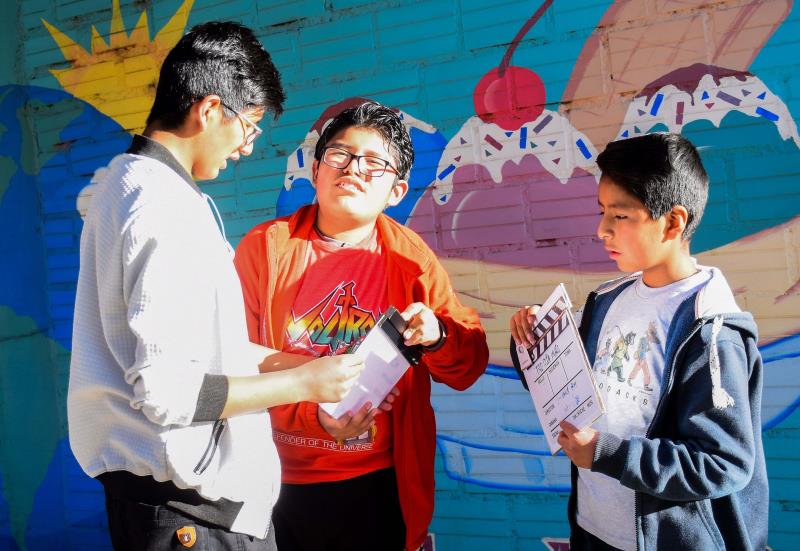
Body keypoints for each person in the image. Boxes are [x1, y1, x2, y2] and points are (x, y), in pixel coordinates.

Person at [68, 21, 366, 551]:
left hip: (174, 510)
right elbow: (169, 391)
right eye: (249, 127)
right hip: (192, 519)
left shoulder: (125, 182)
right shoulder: (161, 206)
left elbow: (197, 354)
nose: (247, 148)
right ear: (208, 110)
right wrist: (306, 386)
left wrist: (297, 366)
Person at [235, 100, 489, 550]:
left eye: (374, 162)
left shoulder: (411, 260)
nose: (353, 168)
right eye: (339, 155)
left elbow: (467, 365)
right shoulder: (264, 249)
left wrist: (437, 336)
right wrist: (315, 409)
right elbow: (232, 357)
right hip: (273, 481)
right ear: (316, 171)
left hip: (374, 486)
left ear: (397, 190)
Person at [510, 133, 768, 550]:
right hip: (593, 532)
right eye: (601, 212)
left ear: (672, 221)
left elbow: (723, 464)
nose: (601, 230)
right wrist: (531, 336)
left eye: (620, 216)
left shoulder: (712, 333)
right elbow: (549, 380)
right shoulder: (605, 302)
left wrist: (605, 453)